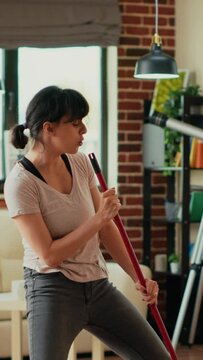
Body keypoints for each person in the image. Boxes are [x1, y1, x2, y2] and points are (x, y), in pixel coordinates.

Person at [4, 86, 170, 360]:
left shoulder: (80, 163)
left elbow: (106, 228)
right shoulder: (21, 183)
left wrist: (138, 278)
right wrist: (99, 218)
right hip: (52, 289)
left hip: (97, 284)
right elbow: (48, 255)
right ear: (49, 128)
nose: (84, 130)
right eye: (75, 122)